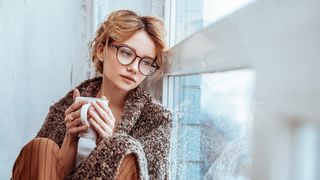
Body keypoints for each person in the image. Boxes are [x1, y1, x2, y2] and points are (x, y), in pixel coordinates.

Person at [11, 9, 172, 180]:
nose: (133, 67)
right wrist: (70, 139)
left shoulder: (157, 120)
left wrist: (110, 144)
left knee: (127, 150)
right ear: (101, 51)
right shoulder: (64, 108)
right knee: (40, 147)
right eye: (126, 53)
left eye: (146, 62)